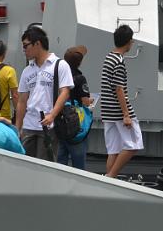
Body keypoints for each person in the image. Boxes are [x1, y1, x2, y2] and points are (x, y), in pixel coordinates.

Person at [16, 26, 74, 162]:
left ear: (37, 43)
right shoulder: (27, 70)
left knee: (45, 164)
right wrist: (17, 127)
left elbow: (65, 92)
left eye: (26, 46)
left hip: (49, 125)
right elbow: (22, 100)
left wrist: (52, 115)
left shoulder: (59, 65)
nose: (24, 50)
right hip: (28, 125)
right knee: (24, 163)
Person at [100, 24, 144, 177]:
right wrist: (126, 114)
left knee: (114, 150)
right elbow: (119, 88)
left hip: (107, 111)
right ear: (128, 42)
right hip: (118, 111)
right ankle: (110, 177)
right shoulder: (118, 61)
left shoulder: (109, 57)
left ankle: (108, 181)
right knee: (134, 145)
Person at [57, 46, 94, 170]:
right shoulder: (79, 78)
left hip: (60, 119)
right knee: (78, 164)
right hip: (75, 122)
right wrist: (91, 100)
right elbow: (85, 101)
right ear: (79, 63)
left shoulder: (59, 75)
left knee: (60, 159)